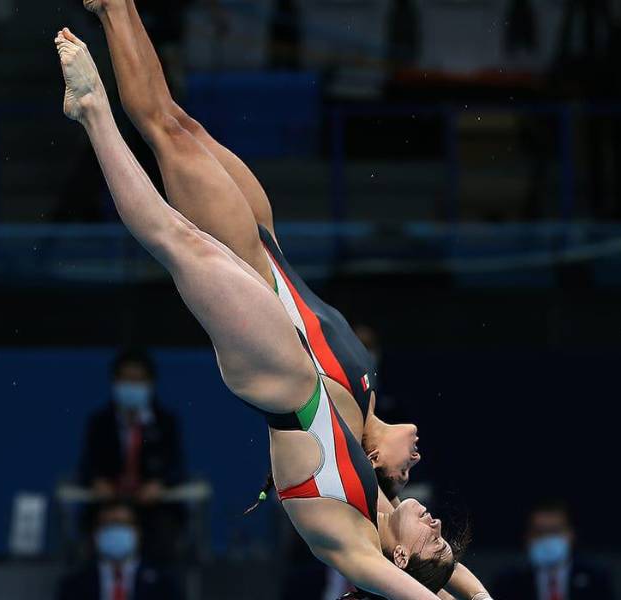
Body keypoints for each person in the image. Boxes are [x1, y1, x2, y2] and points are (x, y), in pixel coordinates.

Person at [54, 27, 457, 599]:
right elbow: (453, 579)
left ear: (399, 559)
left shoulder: (359, 543)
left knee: (177, 240)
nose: (438, 525)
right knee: (174, 125)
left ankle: (92, 112)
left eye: (434, 542)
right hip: (266, 256)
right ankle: (115, 7)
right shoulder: (373, 464)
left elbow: (421, 590)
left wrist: (436, 590)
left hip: (277, 375)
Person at [78, 348, 186, 560]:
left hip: (152, 507)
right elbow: (86, 466)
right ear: (114, 381)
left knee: (163, 534)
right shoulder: (100, 423)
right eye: (126, 379)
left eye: (138, 380)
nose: (131, 386)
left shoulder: (165, 423)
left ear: (150, 383)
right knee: (95, 527)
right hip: (109, 503)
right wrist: (97, 481)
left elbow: (176, 467)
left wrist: (160, 484)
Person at [57, 500, 186, 600]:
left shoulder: (165, 586)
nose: (116, 530)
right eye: (109, 524)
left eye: (123, 523)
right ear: (96, 534)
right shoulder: (73, 586)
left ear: (137, 533)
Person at [492, 499, 616, 600]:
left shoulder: (596, 577)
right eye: (540, 533)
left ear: (571, 535)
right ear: (527, 537)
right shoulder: (509, 581)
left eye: (555, 531)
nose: (547, 540)